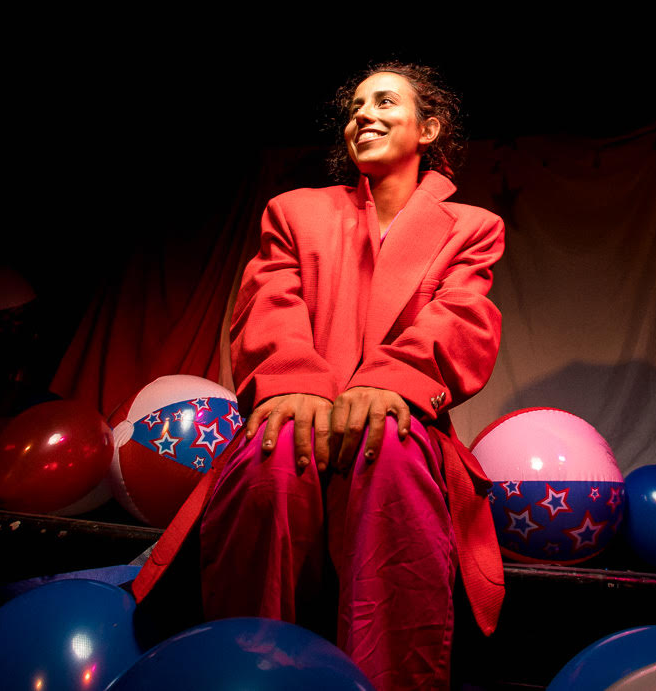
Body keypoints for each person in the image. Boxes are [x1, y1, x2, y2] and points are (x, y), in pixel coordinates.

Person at [132, 62, 505, 690]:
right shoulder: (294, 212)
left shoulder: (472, 227)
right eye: (356, 106)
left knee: (390, 446)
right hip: (296, 403)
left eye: (386, 102)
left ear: (429, 127)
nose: (364, 115)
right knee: (272, 454)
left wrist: (391, 383)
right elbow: (269, 301)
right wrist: (295, 383)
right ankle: (244, 671)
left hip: (399, 419)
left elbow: (461, 318)